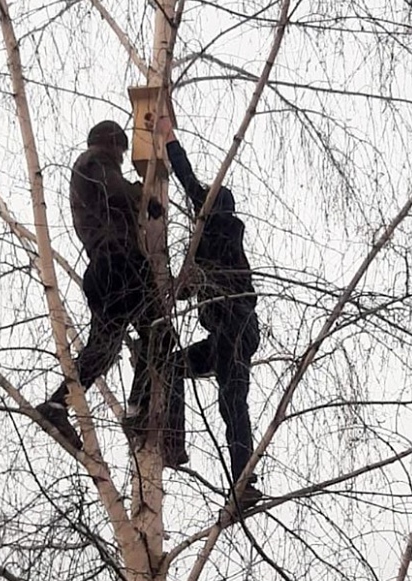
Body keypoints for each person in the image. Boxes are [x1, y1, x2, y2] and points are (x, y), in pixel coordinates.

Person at [35, 121, 169, 449]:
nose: (121, 159)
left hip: (104, 267)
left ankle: (57, 405)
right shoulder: (95, 160)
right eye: (121, 152)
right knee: (159, 334)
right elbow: (115, 189)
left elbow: (112, 195)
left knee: (105, 348)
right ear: (111, 143)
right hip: (122, 262)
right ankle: (136, 411)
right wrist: (143, 195)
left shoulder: (85, 171)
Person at [157, 116, 262, 508]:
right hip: (228, 332)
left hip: (234, 326)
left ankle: (241, 480)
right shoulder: (215, 243)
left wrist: (169, 140)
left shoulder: (220, 229)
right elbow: (190, 288)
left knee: (231, 401)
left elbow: (190, 183)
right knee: (174, 367)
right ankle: (174, 447)